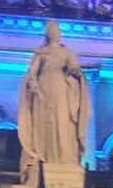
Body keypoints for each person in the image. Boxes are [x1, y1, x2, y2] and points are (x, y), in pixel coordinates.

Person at [16, 20, 91, 179]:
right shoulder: (40, 53)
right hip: (44, 91)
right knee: (44, 123)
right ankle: (44, 155)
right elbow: (32, 73)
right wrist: (33, 84)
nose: (55, 33)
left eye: (57, 30)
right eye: (52, 30)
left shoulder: (67, 52)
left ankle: (65, 158)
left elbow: (74, 68)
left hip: (62, 91)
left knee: (63, 122)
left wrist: (76, 72)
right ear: (47, 34)